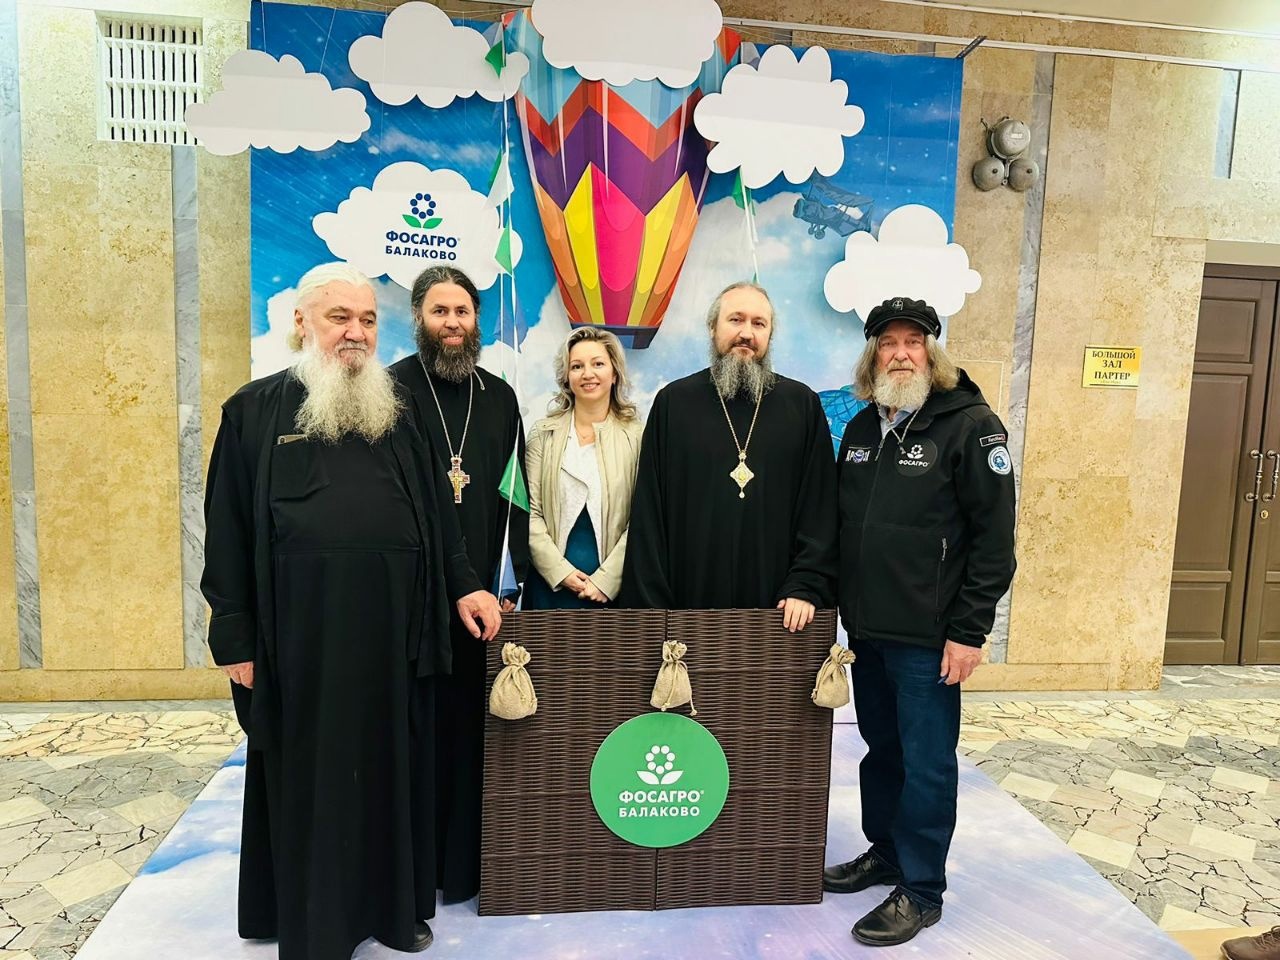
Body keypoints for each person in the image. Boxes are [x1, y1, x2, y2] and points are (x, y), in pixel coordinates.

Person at [202, 262, 502, 960]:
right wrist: (235, 637)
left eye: (367, 319)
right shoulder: (253, 411)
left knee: (394, 772)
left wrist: (465, 585)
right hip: (300, 642)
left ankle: (392, 910)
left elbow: (438, 516)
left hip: (395, 635)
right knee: (312, 777)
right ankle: (316, 920)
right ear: (302, 322)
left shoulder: (399, 413)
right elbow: (226, 530)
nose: (356, 332)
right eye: (340, 317)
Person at [823, 297, 1016, 947]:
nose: (900, 353)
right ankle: (886, 853)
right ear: (872, 354)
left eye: (913, 342)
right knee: (882, 751)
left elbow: (995, 543)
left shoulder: (971, 427)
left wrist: (969, 631)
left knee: (927, 763)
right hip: (868, 631)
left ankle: (923, 889)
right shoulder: (860, 429)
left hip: (930, 638)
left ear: (933, 353)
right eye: (888, 342)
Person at [390, 265, 529, 903]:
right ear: (419, 318)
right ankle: (415, 874)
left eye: (463, 311)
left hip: (484, 607)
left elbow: (514, 497)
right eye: (440, 311)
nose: (452, 323)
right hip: (413, 600)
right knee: (418, 737)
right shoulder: (390, 391)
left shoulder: (499, 397)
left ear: (477, 321)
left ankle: (467, 870)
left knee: (474, 735)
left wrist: (509, 581)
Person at [620, 281, 836, 627]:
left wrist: (805, 586)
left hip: (781, 610)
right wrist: (654, 609)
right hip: (686, 605)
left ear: (770, 334)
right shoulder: (674, 403)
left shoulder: (802, 406)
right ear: (712, 327)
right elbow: (650, 514)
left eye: (758, 323)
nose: (746, 333)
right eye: (735, 320)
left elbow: (819, 509)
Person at [524, 327, 644, 608]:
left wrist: (607, 580)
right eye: (577, 366)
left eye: (598, 364)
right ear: (566, 377)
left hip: (613, 591)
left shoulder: (638, 437)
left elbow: (643, 519)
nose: (587, 374)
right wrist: (560, 572)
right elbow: (528, 513)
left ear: (614, 374)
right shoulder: (543, 434)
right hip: (548, 588)